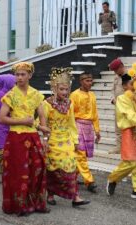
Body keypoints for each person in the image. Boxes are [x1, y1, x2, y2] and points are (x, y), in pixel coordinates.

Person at [0, 62, 50, 216]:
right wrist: (23, 121)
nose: (19, 77)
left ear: (30, 76)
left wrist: (45, 135)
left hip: (33, 136)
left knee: (37, 169)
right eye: (17, 74)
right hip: (16, 137)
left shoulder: (36, 94)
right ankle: (19, 205)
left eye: (23, 74)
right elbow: (2, 118)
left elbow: (42, 116)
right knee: (18, 170)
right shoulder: (10, 95)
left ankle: (37, 203)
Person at [44, 67, 90, 208]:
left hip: (66, 141)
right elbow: (41, 123)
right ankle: (51, 193)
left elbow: (71, 124)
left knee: (71, 166)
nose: (64, 92)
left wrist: (75, 141)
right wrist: (45, 140)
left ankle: (75, 197)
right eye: (61, 89)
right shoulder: (47, 104)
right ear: (54, 89)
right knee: (53, 170)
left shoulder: (70, 104)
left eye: (66, 89)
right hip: (52, 141)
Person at [106, 74, 136, 200]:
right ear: (125, 86)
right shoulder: (121, 98)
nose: (135, 87)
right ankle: (113, 178)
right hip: (129, 131)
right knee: (130, 161)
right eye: (132, 84)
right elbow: (129, 113)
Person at [70, 72, 100, 193]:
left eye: (91, 80)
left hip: (88, 128)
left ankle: (71, 178)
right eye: (87, 81)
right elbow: (71, 114)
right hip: (78, 126)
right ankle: (89, 181)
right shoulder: (74, 95)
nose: (90, 83)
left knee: (83, 155)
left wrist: (97, 130)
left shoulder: (92, 95)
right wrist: (72, 131)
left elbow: (95, 114)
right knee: (81, 154)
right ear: (81, 81)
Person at [109, 58, 125, 154]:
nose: (115, 72)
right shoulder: (116, 77)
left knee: (127, 129)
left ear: (121, 67)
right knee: (118, 128)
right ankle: (119, 147)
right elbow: (112, 90)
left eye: (116, 70)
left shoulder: (129, 75)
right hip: (117, 106)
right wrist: (112, 99)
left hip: (127, 107)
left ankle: (127, 147)